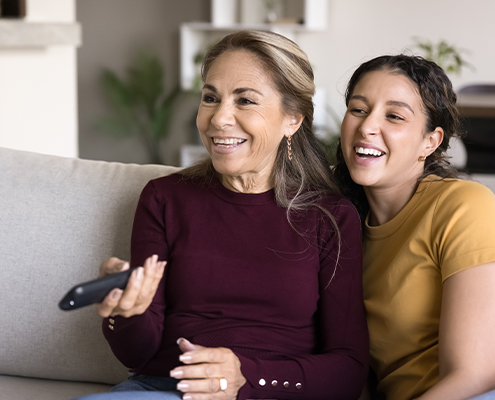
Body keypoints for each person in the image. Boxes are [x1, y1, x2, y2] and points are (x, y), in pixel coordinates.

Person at [76, 30, 368, 400]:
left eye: (245, 100)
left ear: (292, 119)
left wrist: (248, 377)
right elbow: (137, 353)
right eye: (210, 98)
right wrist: (125, 312)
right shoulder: (164, 198)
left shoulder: (330, 217)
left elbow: (349, 370)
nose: (219, 119)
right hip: (161, 390)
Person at [333, 54, 495, 400]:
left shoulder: (461, 204)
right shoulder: (341, 231)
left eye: (394, 116)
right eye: (358, 109)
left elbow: (474, 377)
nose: (367, 126)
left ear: (431, 141)